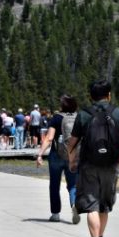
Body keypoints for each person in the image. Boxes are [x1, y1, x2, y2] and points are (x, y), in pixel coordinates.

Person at [66, 79, 119, 237]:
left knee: (91, 205)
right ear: (109, 95)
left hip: (89, 164)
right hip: (110, 164)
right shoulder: (118, 113)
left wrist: (72, 161)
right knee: (104, 205)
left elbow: (72, 142)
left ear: (91, 96)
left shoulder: (84, 114)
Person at [35, 94, 79, 224]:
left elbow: (49, 138)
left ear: (62, 106)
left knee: (54, 184)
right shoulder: (79, 118)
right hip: (73, 155)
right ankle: (74, 205)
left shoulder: (57, 118)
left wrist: (40, 154)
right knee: (72, 184)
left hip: (56, 155)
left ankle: (55, 214)